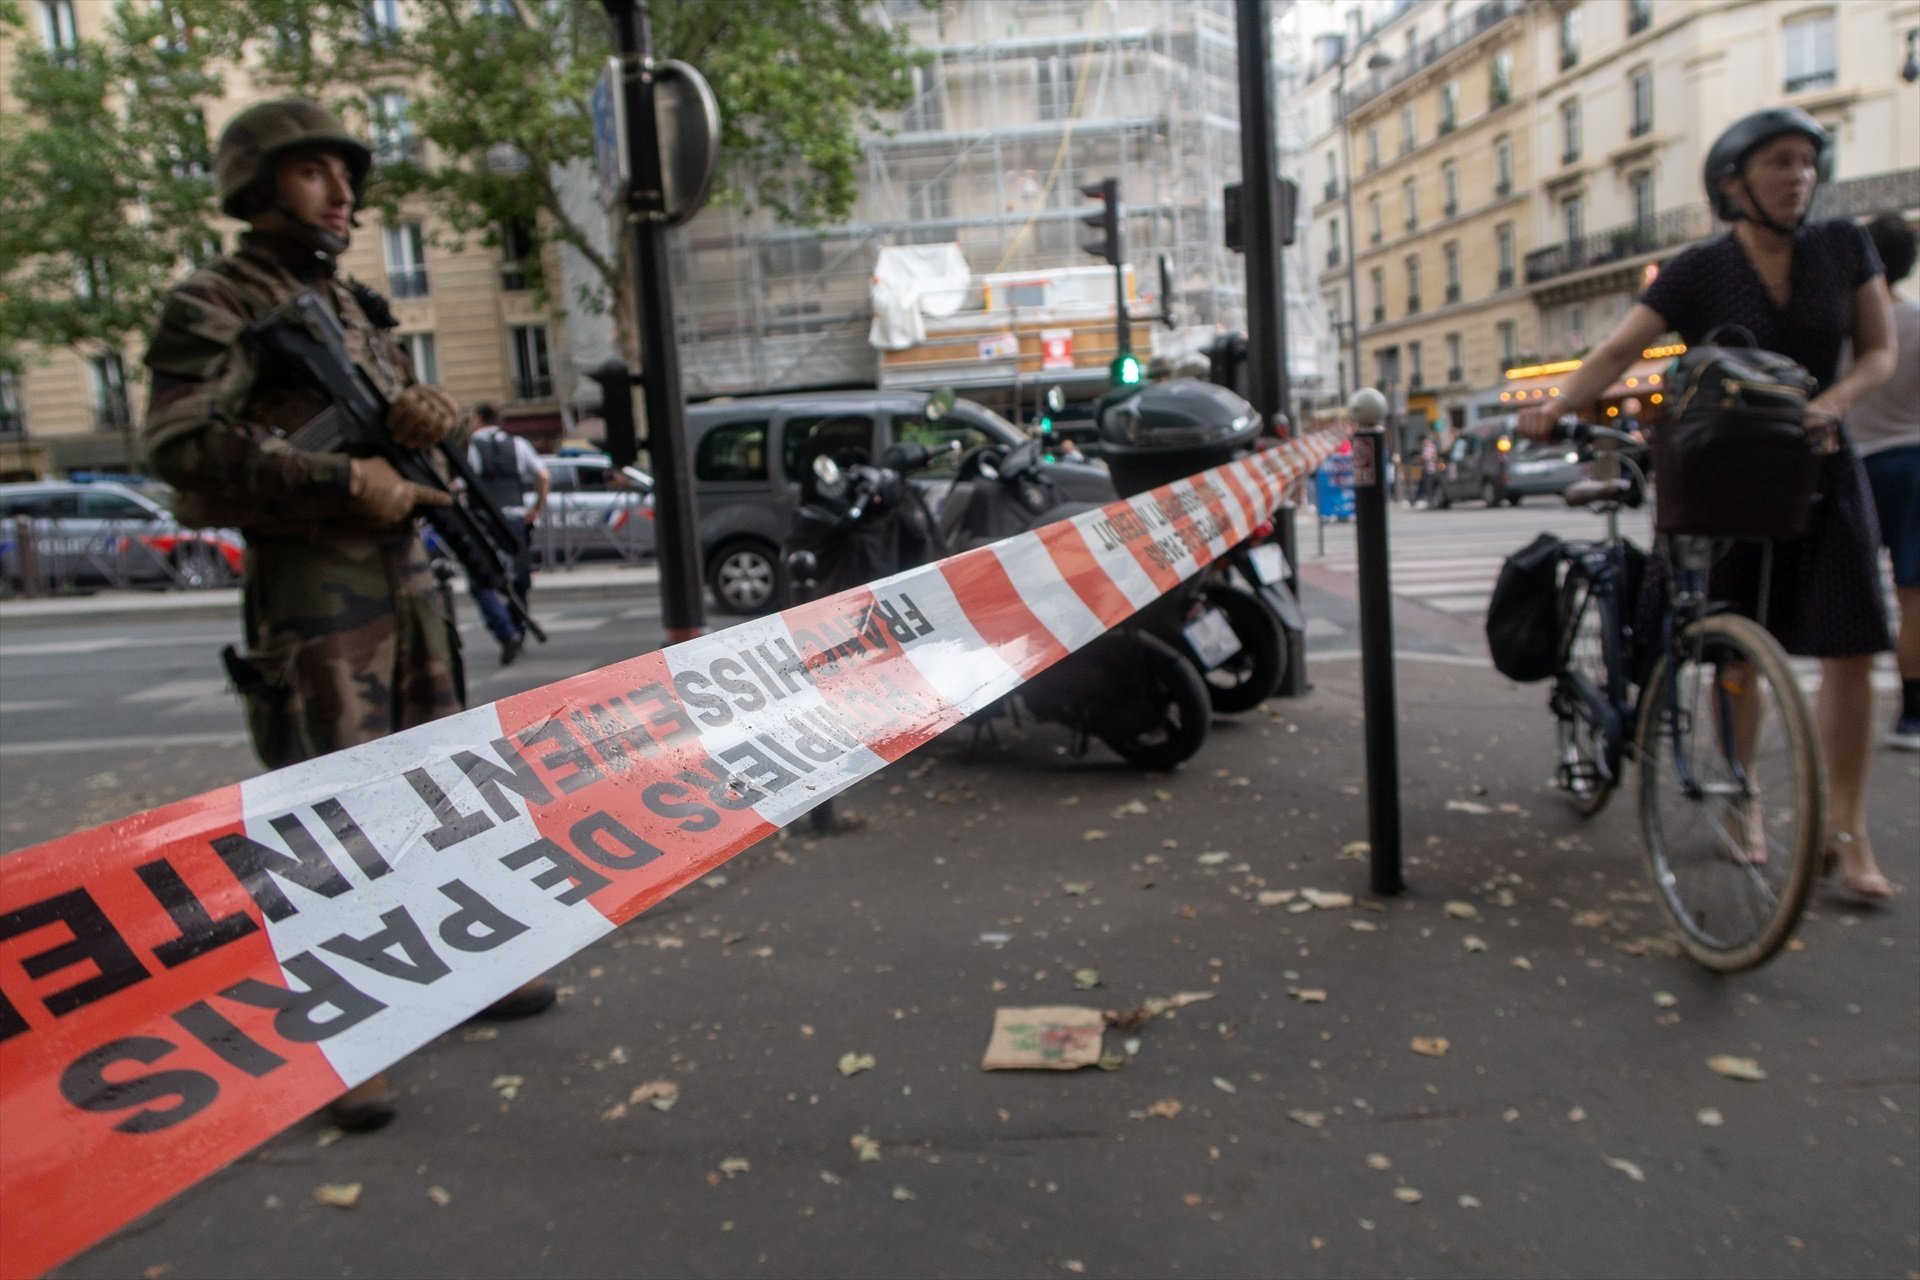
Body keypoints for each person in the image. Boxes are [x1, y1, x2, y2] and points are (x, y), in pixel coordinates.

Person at [142, 99, 555, 1133]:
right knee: (328, 810)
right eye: (312, 170)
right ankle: (344, 1039)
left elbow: (413, 411)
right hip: (314, 585)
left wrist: (435, 414)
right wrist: (340, 477)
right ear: (256, 183)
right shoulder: (214, 300)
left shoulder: (357, 304)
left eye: (344, 172)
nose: (341, 191)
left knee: (438, 781)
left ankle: (471, 966)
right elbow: (180, 446)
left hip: (402, 576)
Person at [1518, 107, 1897, 901]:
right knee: (1733, 649)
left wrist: (1833, 404)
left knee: (1851, 647)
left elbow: (1879, 351)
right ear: (1733, 181)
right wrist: (1557, 406)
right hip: (1732, 472)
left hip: (1822, 468)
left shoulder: (1842, 246)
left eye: (1806, 161)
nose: (1798, 176)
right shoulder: (1701, 268)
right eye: (1778, 163)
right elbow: (1621, 347)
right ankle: (1741, 797)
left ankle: (1849, 833)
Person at [1851, 212, 1920, 751]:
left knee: (1853, 592)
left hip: (1856, 466)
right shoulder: (1916, 319)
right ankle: (1912, 715)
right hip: (1913, 463)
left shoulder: (1844, 328)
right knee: (1913, 598)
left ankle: (1847, 700)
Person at [465, 402, 549, 665]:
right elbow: (543, 476)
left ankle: (506, 631)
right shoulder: (518, 444)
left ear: (477, 418)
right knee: (519, 577)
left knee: (481, 581)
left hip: (484, 522)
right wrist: (536, 508)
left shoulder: (471, 447)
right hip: (515, 520)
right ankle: (519, 629)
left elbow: (461, 484)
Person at [1413, 432, 1439, 507]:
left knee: (1427, 486)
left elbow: (1427, 457)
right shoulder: (1428, 446)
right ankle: (1419, 499)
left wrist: (1419, 458)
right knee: (1423, 485)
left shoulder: (1429, 447)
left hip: (1430, 469)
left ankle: (1429, 500)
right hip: (1427, 470)